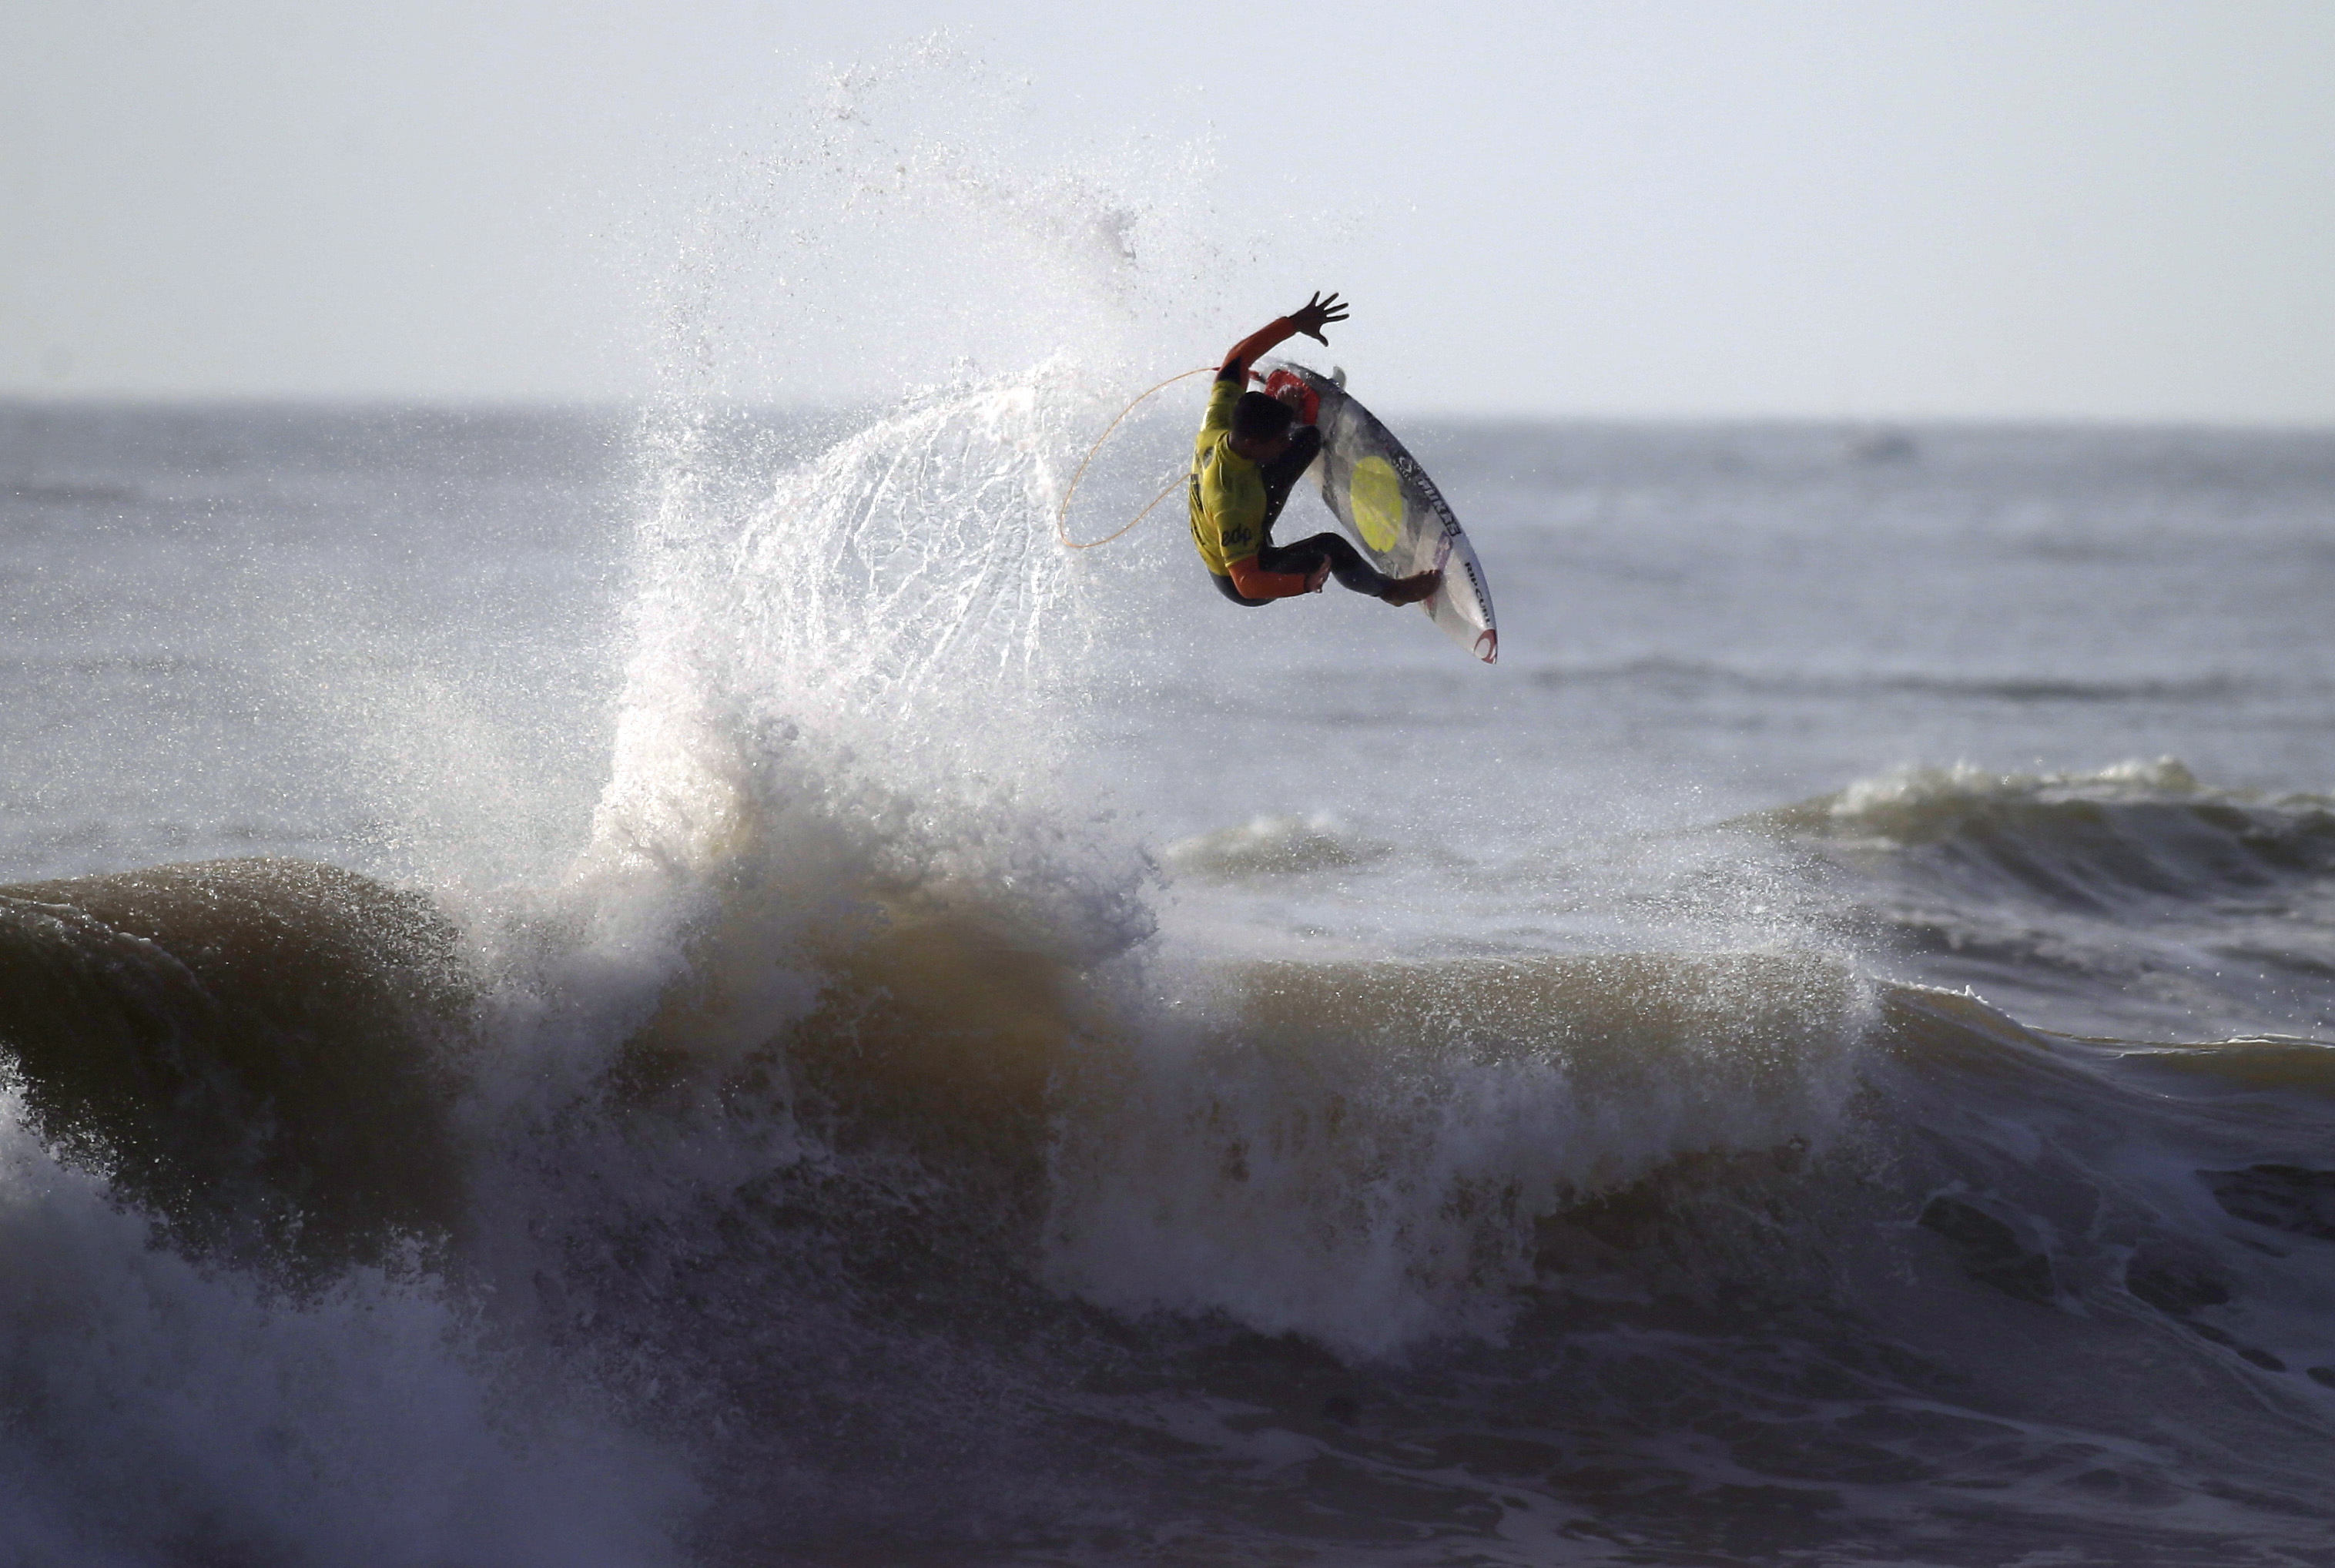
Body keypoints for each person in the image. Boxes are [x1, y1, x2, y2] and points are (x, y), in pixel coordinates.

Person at [1188, 292, 1442, 608]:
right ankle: (1391, 592)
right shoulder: (1231, 503)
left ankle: (1289, 419)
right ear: (1253, 443)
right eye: (1278, 439)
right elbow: (1248, 584)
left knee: (1307, 438)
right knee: (1330, 547)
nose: (1284, 444)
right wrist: (1305, 582)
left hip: (1245, 490)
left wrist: (1294, 323)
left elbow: (1236, 359)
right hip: (1247, 574)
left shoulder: (1218, 422)